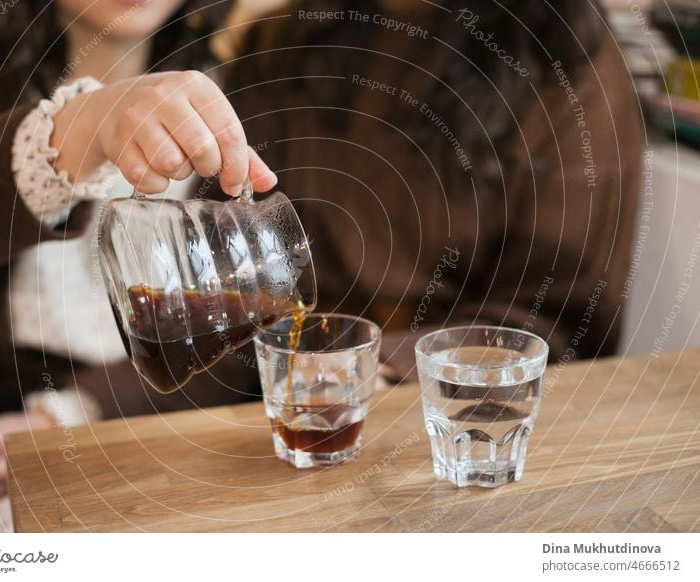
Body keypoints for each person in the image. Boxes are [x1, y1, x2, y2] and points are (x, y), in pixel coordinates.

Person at [0, 0, 277, 525]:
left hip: (169, 433)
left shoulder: (244, 83)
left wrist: (70, 413)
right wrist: (89, 124)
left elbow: (247, 335)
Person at [221, 0, 644, 379]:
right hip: (277, 387)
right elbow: (224, 257)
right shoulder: (280, 41)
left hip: (454, 407)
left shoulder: (562, 52)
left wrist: (381, 365)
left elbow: (560, 310)